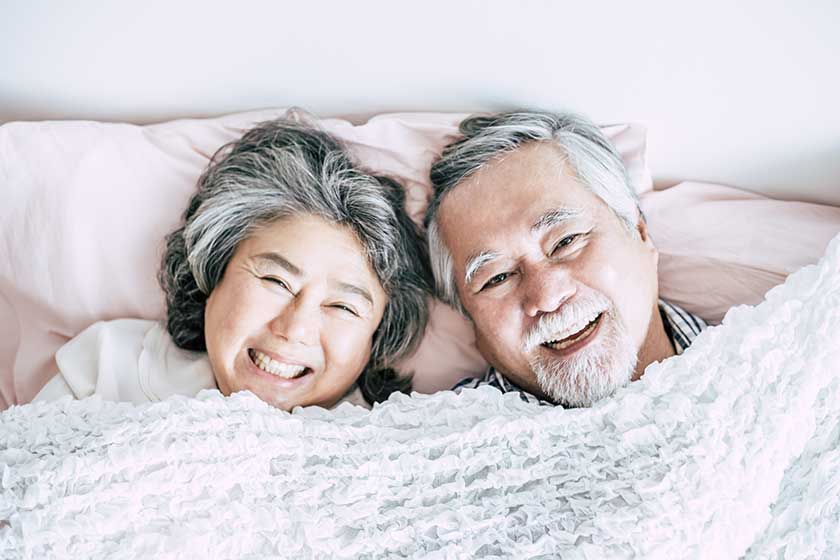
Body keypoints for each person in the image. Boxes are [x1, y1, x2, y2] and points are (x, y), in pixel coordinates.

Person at [34, 118, 432, 411]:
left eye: (343, 306)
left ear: (376, 339)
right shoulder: (108, 362)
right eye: (276, 281)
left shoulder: (390, 443)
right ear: (215, 272)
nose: (295, 329)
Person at [425, 110, 706, 407]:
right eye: (498, 277)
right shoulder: (441, 431)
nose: (547, 297)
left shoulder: (744, 362)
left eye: (565, 242)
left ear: (639, 231)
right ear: (468, 317)